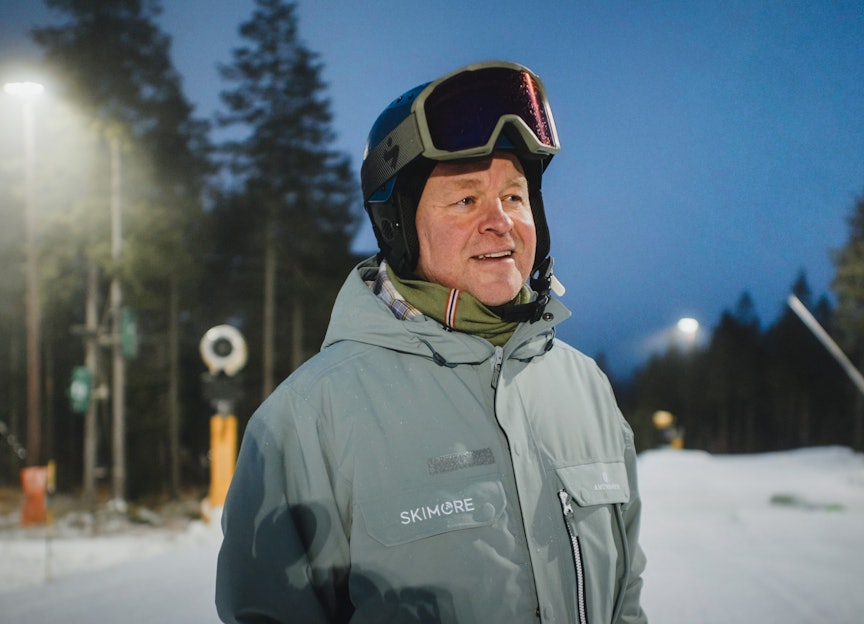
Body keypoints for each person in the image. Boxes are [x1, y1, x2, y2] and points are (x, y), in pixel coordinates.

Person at [216, 60, 648, 624]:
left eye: (514, 197)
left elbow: (625, 595)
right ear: (396, 226)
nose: (500, 222)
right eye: (465, 200)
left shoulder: (585, 387)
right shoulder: (308, 420)